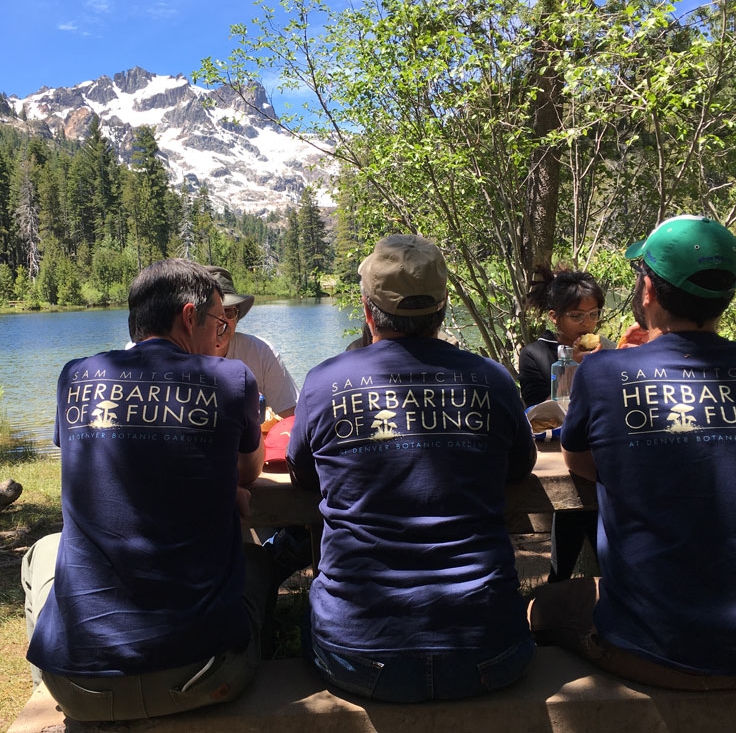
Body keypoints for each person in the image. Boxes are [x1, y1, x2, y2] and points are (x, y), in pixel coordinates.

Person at [528, 215, 736, 689]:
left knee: (540, 606)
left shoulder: (604, 372)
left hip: (658, 648)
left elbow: (579, 462)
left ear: (649, 292)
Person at [287, 234, 537, 703]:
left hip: (358, 655)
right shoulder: (493, 379)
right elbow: (520, 466)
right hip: (490, 649)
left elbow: (303, 475)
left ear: (367, 311)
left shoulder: (325, 381)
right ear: (442, 310)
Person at [22, 259, 274, 723]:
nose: (223, 335)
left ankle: (43, 680)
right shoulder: (231, 379)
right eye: (220, 321)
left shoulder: (76, 377)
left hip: (78, 687)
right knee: (258, 564)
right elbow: (248, 470)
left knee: (41, 555)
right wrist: (224, 488)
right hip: (206, 675)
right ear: (189, 316)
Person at [519, 267, 611, 583]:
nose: (587, 324)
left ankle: (568, 589)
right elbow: (536, 416)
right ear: (554, 317)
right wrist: (572, 367)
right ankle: (559, 588)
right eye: (576, 316)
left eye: (593, 314)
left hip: (597, 452)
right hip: (557, 454)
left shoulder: (608, 351)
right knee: (574, 510)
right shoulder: (534, 354)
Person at [205, 266, 299, 418]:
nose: (221, 321)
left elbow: (289, 419)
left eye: (229, 312)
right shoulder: (178, 357)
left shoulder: (261, 352)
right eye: (212, 313)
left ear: (237, 317)